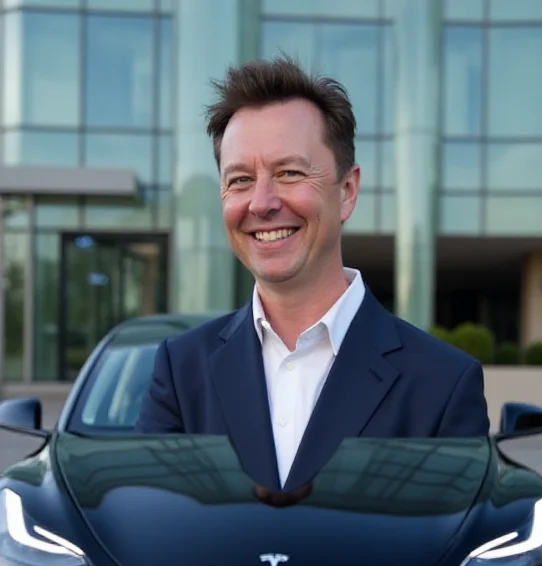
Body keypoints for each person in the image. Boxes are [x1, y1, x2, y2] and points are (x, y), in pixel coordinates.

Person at [135, 56, 490, 491]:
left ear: (347, 191)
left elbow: (451, 548)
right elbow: (152, 531)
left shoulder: (443, 384)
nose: (261, 202)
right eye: (241, 180)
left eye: (289, 173)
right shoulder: (180, 370)